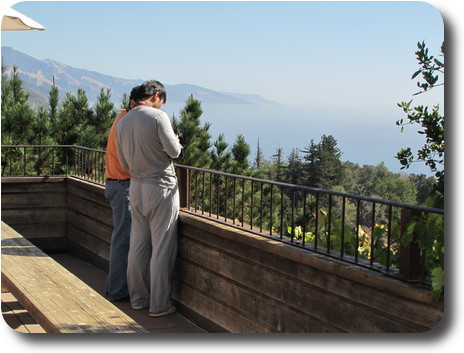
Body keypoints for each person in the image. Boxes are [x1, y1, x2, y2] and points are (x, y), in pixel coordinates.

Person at [116, 80, 182, 317]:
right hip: (161, 187)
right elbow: (174, 152)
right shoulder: (157, 117)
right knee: (162, 247)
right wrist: (176, 140)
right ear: (155, 96)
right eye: (161, 102)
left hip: (136, 187)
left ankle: (138, 299)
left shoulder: (123, 122)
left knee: (138, 247)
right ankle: (159, 305)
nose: (160, 106)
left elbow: (123, 163)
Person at [103, 85, 141, 302]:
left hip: (115, 183)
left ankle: (114, 287)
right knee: (123, 239)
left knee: (121, 237)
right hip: (122, 186)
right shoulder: (126, 124)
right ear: (134, 103)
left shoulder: (121, 119)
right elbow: (130, 159)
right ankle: (117, 291)